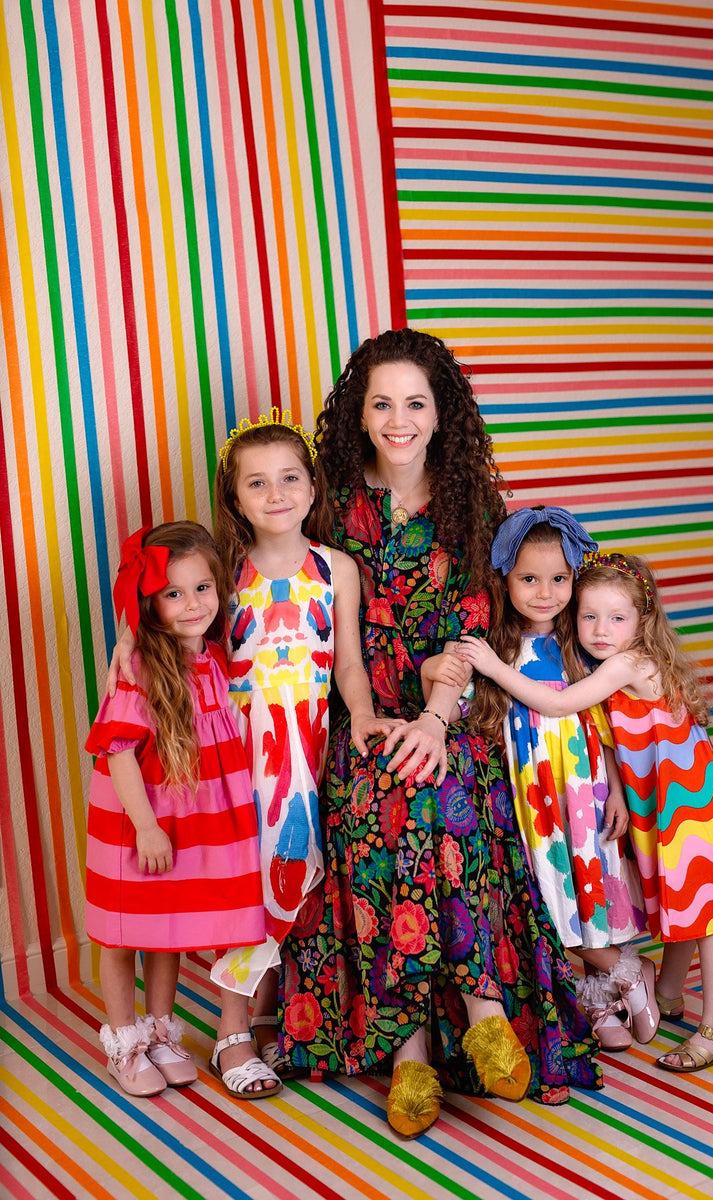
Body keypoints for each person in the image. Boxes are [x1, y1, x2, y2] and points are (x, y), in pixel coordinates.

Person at [279, 328, 602, 1138]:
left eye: (415, 403)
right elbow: (299, 599)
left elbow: (474, 629)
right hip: (360, 708)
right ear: (359, 414)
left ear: (441, 413)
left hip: (452, 705)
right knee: (380, 792)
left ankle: (475, 1022)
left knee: (441, 786)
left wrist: (433, 719)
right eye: (382, 404)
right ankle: (415, 1052)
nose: (399, 420)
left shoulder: (473, 505)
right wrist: (369, 718)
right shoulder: (327, 500)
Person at [461, 549, 713, 1072]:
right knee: (681, 906)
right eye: (589, 616)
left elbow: (557, 704)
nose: (600, 630)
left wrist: (492, 667)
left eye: (616, 618)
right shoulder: (613, 660)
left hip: (687, 809)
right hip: (663, 805)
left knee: (706, 917)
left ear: (643, 619)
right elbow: (613, 740)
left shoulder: (627, 663)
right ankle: (667, 993)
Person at [206, 411, 398, 1097]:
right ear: (235, 498)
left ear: (313, 488)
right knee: (250, 883)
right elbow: (184, 638)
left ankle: (276, 1016)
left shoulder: (337, 569)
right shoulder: (223, 572)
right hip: (245, 752)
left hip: (311, 747)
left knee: (304, 879)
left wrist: (364, 713)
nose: (276, 494)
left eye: (290, 478)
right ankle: (230, 1032)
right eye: (257, 483)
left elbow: (347, 663)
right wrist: (124, 646)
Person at [458, 507, 653, 1053]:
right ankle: (625, 973)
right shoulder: (496, 647)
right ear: (505, 578)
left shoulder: (581, 643)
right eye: (529, 578)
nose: (545, 593)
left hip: (584, 787)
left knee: (589, 888)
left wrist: (617, 788)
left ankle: (602, 997)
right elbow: (464, 708)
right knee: (548, 893)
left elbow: (604, 723)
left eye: (559, 579)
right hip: (530, 793)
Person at [85, 522, 266, 1097]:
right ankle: (123, 1040)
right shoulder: (138, 668)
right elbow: (117, 751)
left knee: (168, 924)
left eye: (203, 588)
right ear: (149, 602)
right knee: (122, 932)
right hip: (139, 819)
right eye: (173, 593)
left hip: (188, 819)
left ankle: (160, 1031)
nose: (193, 605)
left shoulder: (212, 656)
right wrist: (146, 828)